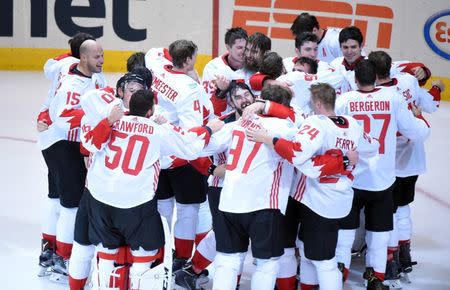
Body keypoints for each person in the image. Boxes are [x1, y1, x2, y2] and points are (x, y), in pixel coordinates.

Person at [79, 89, 223, 289]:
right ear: (151, 111)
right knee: (144, 256)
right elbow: (190, 148)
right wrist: (208, 129)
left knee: (106, 254)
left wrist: (110, 120)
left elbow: (88, 142)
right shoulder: (158, 131)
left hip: (100, 199)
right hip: (135, 202)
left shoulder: (112, 120)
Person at [247, 83, 375, 290]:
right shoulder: (353, 124)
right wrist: (346, 155)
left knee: (323, 262)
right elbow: (373, 146)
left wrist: (270, 139)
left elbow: (298, 155)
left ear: (317, 103)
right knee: (307, 254)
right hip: (335, 198)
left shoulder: (316, 123)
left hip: (317, 201)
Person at [334, 60, 431, 290]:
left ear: (355, 80)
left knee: (345, 231)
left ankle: (339, 274)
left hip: (353, 179)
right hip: (383, 181)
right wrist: (421, 120)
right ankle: (375, 279)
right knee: (378, 234)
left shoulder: (345, 101)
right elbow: (417, 132)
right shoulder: (394, 98)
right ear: (377, 78)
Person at [368, 50, 444, 287]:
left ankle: (390, 260)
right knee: (402, 209)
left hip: (386, 162)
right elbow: (429, 103)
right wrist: (435, 84)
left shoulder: (375, 95)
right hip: (411, 158)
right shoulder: (408, 82)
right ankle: (404, 255)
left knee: (388, 213)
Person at [37, 39, 104, 283]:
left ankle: (49, 253)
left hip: (64, 143)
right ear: (83, 58)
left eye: (102, 55)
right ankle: (63, 259)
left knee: (56, 199)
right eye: (97, 56)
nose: (102, 60)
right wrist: (95, 113)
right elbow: (63, 119)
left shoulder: (94, 77)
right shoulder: (72, 85)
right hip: (61, 144)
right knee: (71, 205)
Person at [146, 39, 216, 273]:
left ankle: (158, 257)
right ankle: (182, 259)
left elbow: (156, 51)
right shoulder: (190, 89)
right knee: (188, 210)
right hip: (182, 158)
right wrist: (210, 129)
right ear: (187, 60)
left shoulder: (156, 65)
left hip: (157, 153)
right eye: (193, 57)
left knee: (163, 207)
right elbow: (191, 137)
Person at [202, 27, 248, 116]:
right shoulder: (213, 68)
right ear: (228, 47)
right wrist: (220, 91)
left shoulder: (252, 67)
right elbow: (208, 105)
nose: (244, 51)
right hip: (222, 122)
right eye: (239, 47)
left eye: (246, 48)